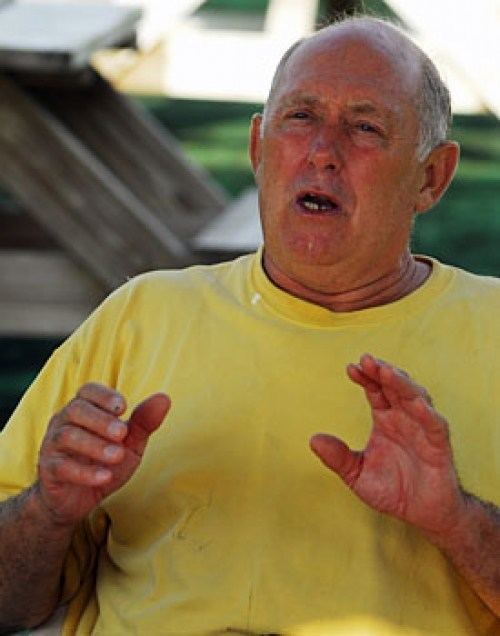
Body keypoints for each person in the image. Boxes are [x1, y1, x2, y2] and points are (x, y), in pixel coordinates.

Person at [0, 15, 499, 636]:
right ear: (259, 147)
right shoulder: (142, 314)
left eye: (365, 127)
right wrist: (49, 510)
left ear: (432, 176)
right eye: (300, 117)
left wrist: (456, 520)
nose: (322, 151)